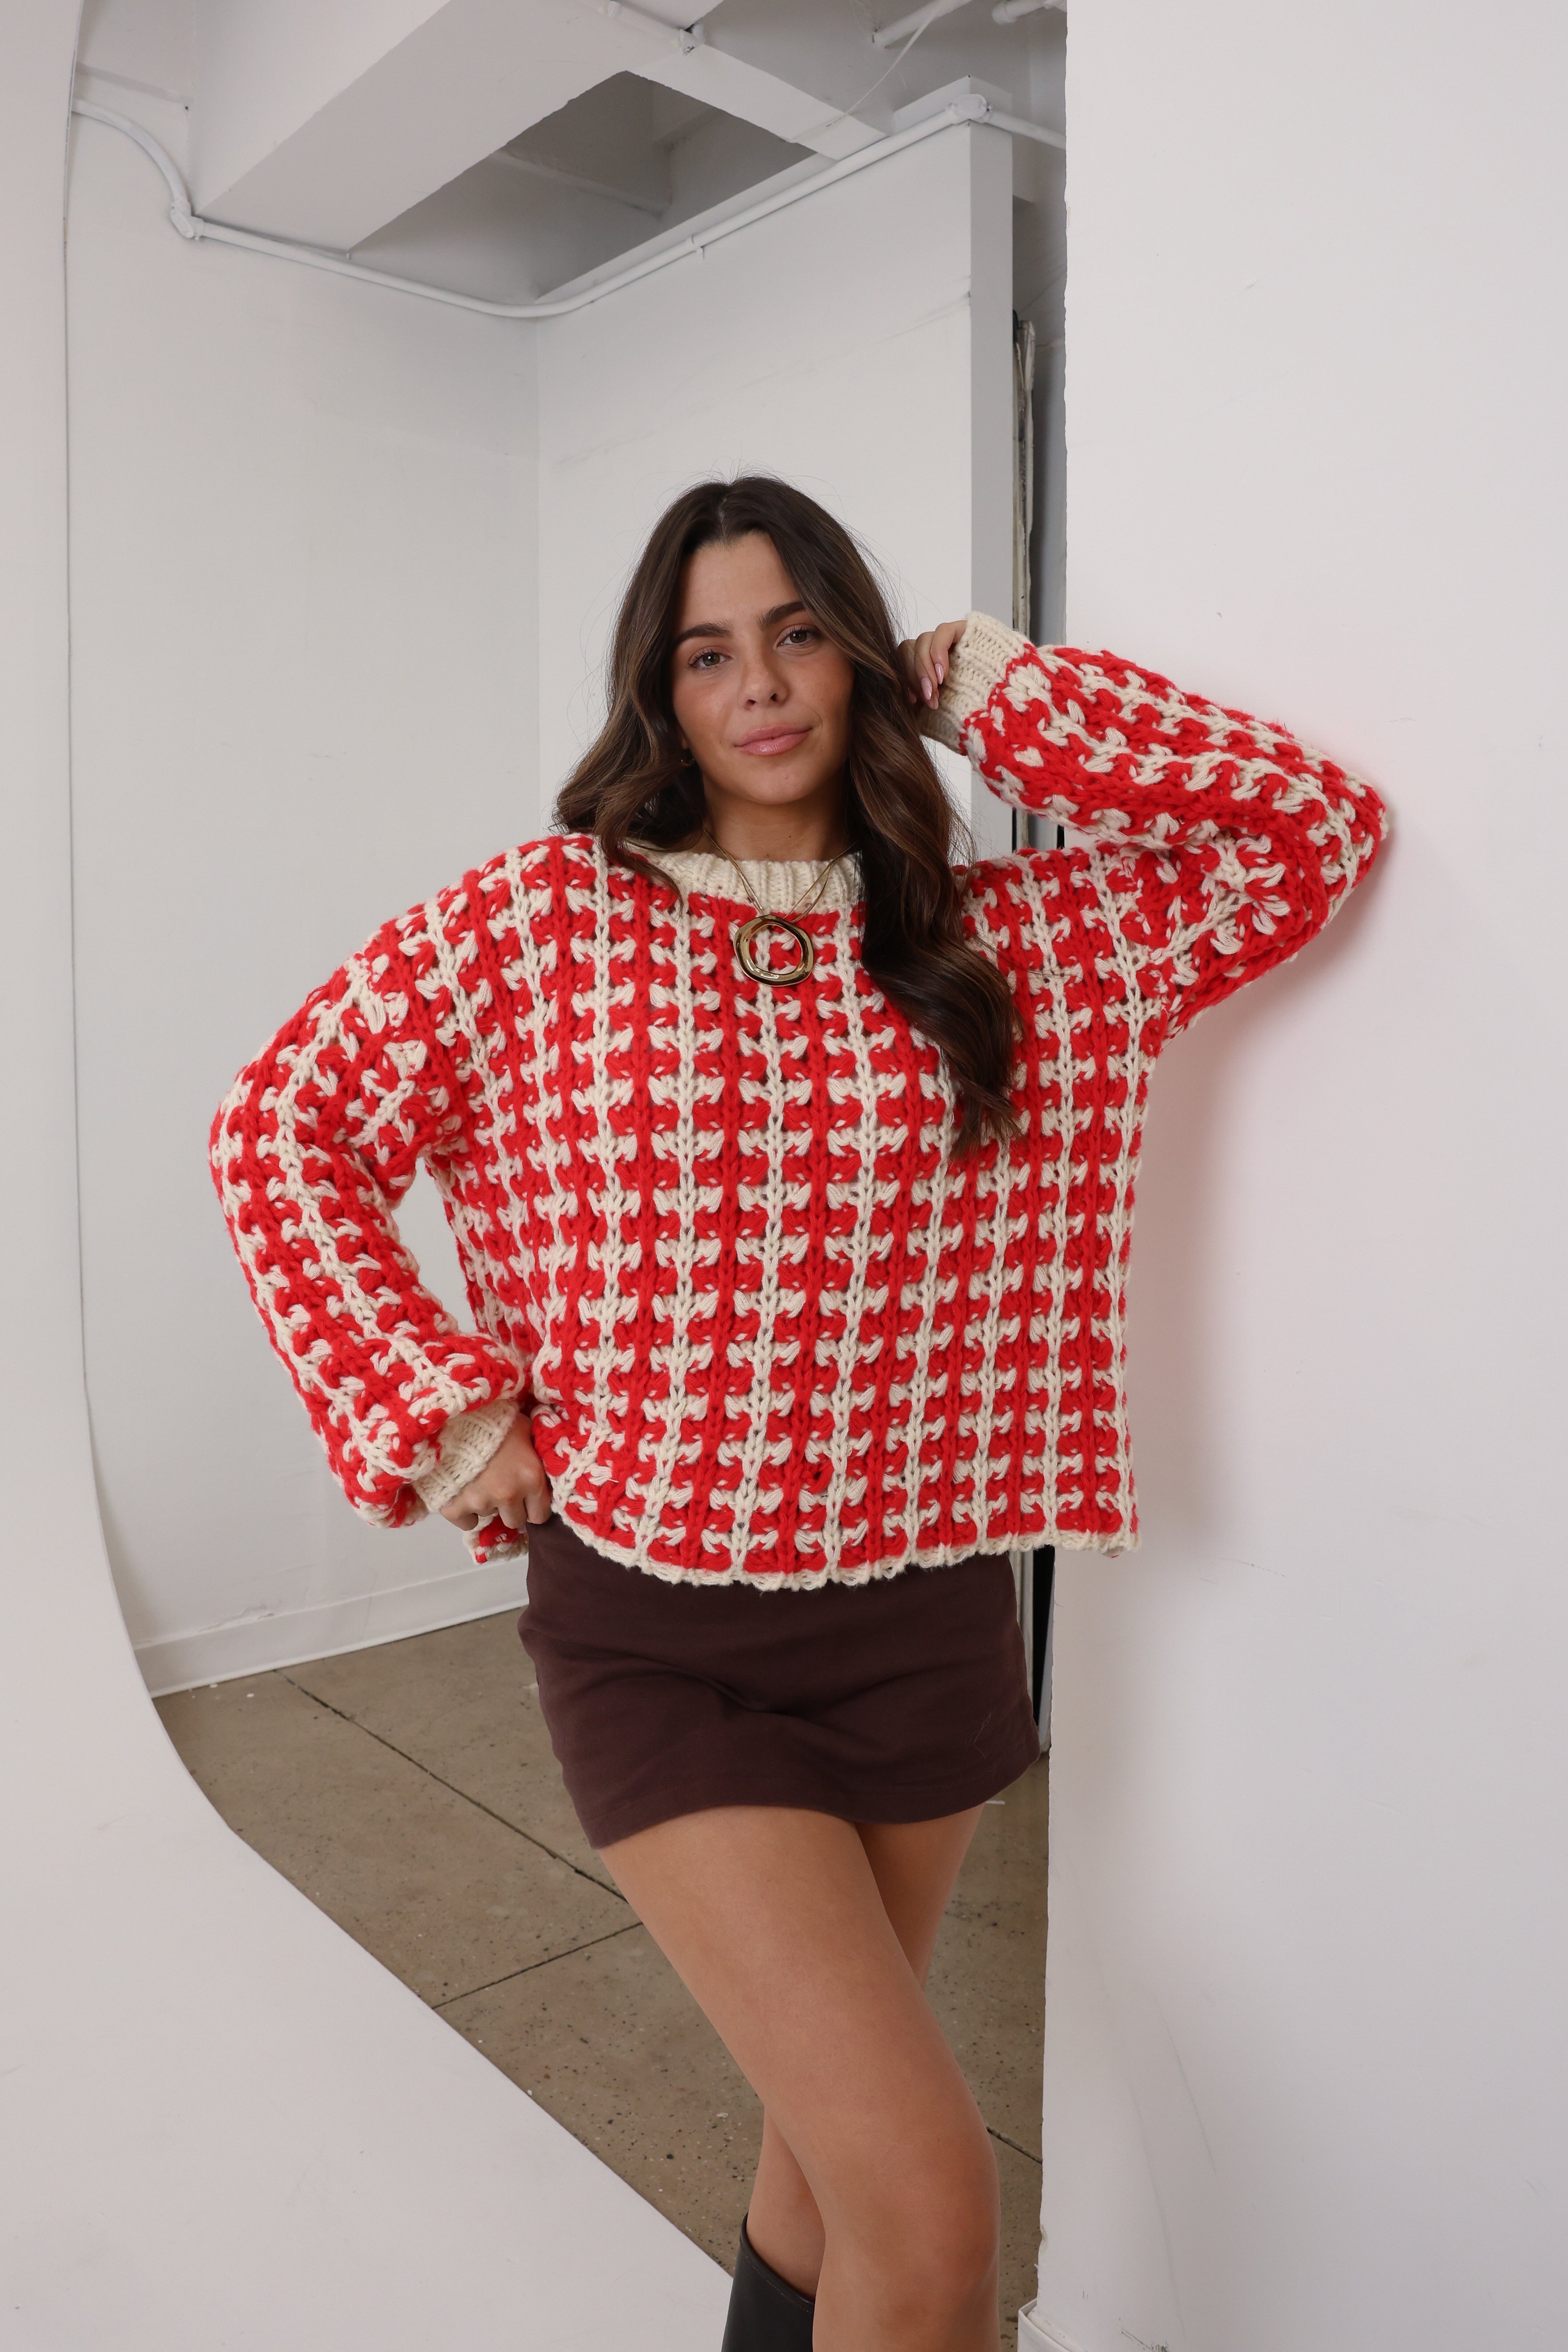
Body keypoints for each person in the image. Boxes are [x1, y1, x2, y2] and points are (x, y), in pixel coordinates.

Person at [211, 476, 1386, 2351]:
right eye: (705, 650)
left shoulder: (1012, 942)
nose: (757, 683)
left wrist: (999, 690)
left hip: (923, 1622)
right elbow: (283, 1132)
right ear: (656, 696)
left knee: (827, 2172)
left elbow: (1308, 832)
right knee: (931, 2207)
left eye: (798, 631)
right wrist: (439, 1409)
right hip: (658, 1627)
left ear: (855, 653)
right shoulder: (540, 923)